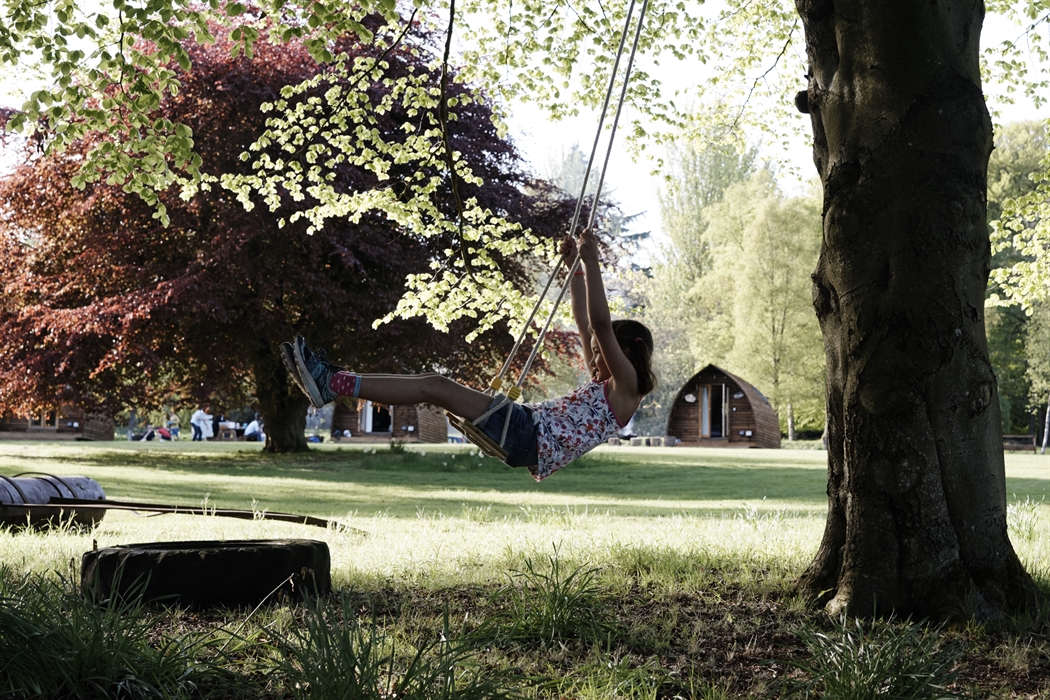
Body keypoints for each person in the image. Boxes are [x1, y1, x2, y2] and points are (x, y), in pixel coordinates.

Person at [281, 230, 656, 480]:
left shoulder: (626, 388)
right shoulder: (608, 381)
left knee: (435, 386)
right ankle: (334, 380)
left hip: (527, 433)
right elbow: (585, 322)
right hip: (525, 426)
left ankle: (332, 382)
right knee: (432, 384)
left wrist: (592, 262)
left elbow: (600, 326)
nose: (593, 358)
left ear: (624, 352)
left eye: (600, 353)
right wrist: (575, 270)